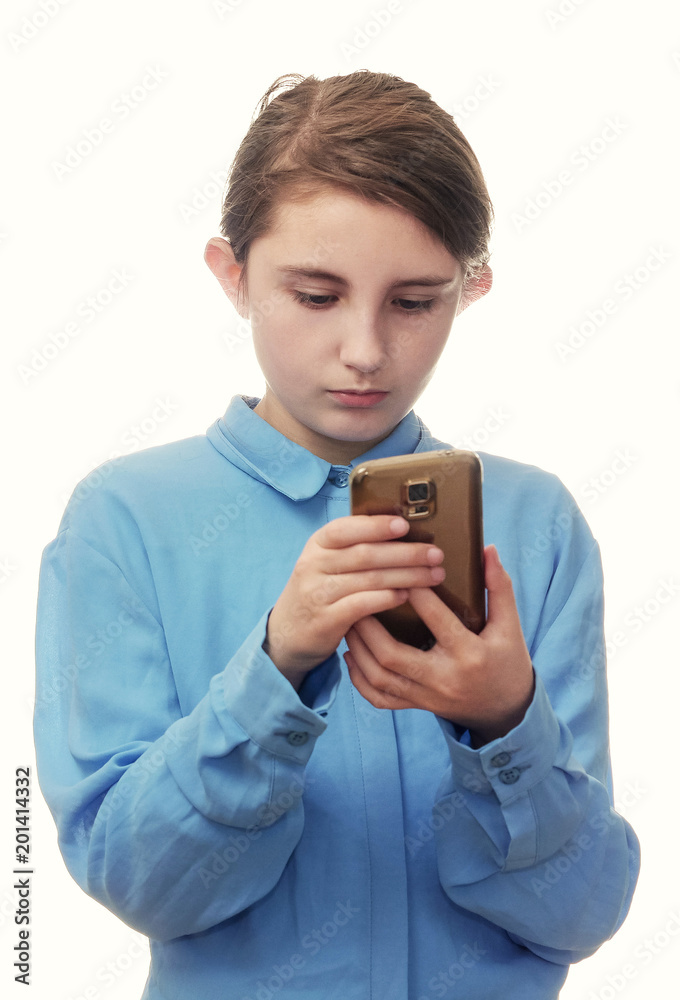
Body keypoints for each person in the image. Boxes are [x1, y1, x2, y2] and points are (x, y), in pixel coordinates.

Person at [34, 70, 640, 1000]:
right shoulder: (124, 517)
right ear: (231, 274)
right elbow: (140, 883)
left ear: (471, 290)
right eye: (316, 296)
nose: (365, 350)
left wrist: (503, 721)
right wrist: (274, 669)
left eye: (414, 301)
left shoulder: (536, 523)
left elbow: (582, 914)